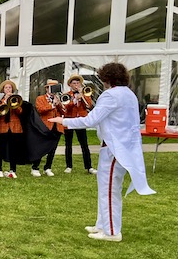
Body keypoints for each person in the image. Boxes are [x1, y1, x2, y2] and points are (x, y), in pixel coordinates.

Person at [49, 62, 155, 241]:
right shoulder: (128, 94)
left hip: (115, 148)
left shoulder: (111, 95)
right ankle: (102, 225)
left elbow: (90, 121)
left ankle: (112, 231)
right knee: (106, 188)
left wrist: (63, 120)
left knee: (110, 190)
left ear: (108, 79)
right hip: (121, 146)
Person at [63, 74, 97, 175]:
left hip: (80, 121)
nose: (76, 85)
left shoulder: (85, 94)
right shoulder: (67, 94)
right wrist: (74, 100)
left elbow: (89, 105)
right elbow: (66, 107)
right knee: (68, 144)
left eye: (78, 83)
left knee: (84, 144)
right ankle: (69, 166)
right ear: (70, 85)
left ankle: (89, 167)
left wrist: (82, 97)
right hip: (69, 120)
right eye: (74, 83)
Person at [31, 79, 65, 177]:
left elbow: (64, 112)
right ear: (47, 88)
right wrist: (52, 105)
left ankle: (48, 167)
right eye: (51, 87)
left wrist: (59, 104)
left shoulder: (59, 98)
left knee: (53, 149)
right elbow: (41, 110)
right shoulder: (40, 98)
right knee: (41, 147)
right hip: (45, 126)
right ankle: (35, 167)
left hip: (57, 126)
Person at [0, 79, 24, 179]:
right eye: (6, 88)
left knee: (13, 149)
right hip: (3, 128)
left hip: (14, 128)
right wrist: (3, 103)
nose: (8, 89)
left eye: (9, 87)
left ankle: (12, 169)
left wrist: (13, 102)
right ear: (3, 90)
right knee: (0, 149)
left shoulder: (16, 99)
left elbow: (20, 112)